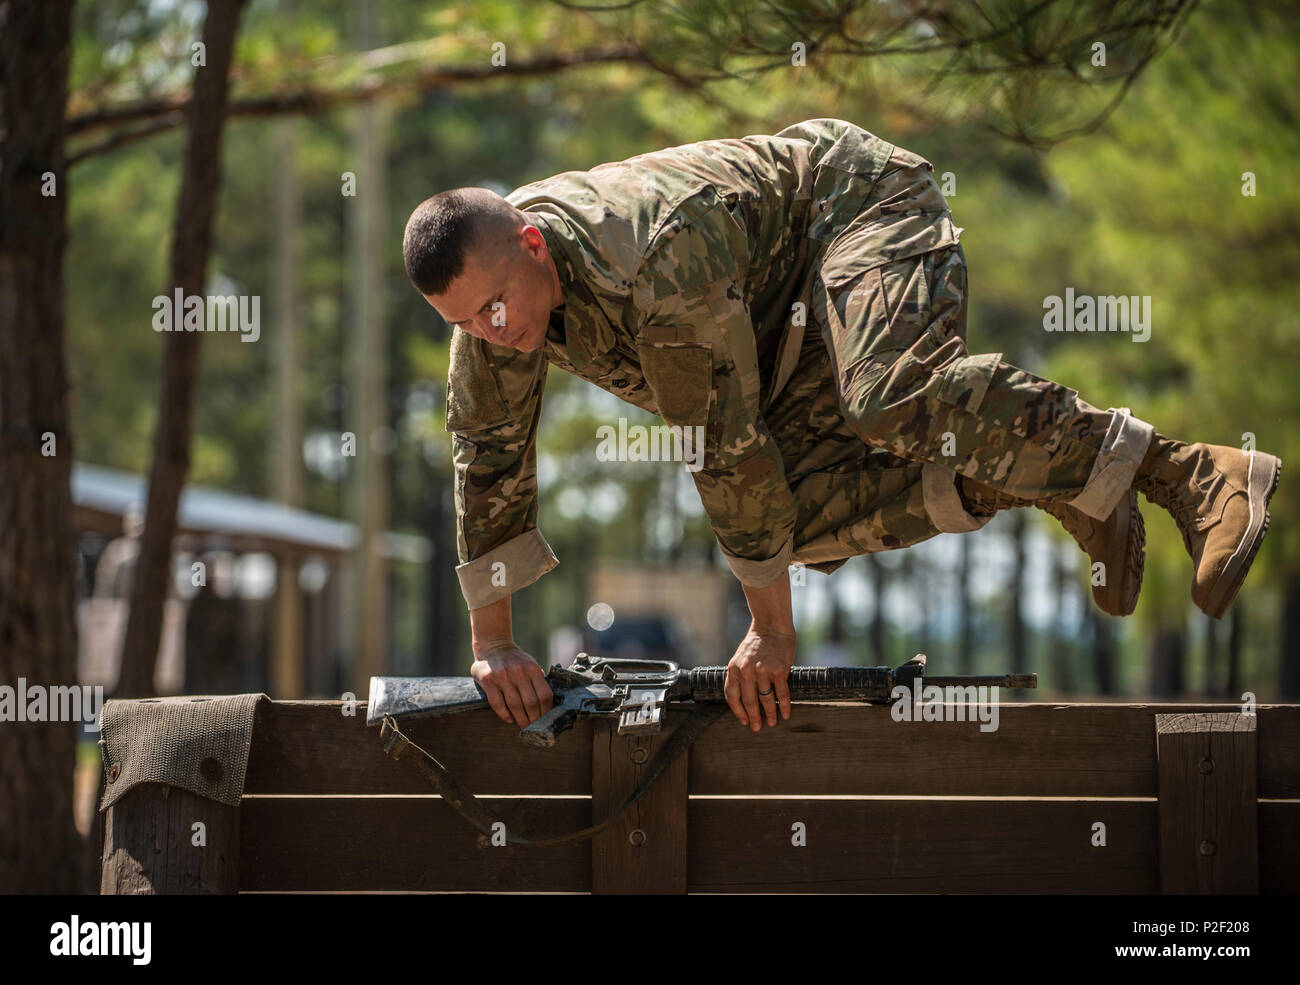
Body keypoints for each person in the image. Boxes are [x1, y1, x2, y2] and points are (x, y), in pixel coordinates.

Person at [401, 118, 1280, 734]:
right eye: (468, 321)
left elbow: (723, 444)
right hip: (780, 325)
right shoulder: (486, 326)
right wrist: (496, 648)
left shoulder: (654, 257)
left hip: (855, 207)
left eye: (497, 306)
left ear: (532, 245)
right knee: (803, 523)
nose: (495, 331)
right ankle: (1059, 480)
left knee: (890, 393)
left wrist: (771, 633)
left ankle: (1189, 473)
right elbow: (488, 468)